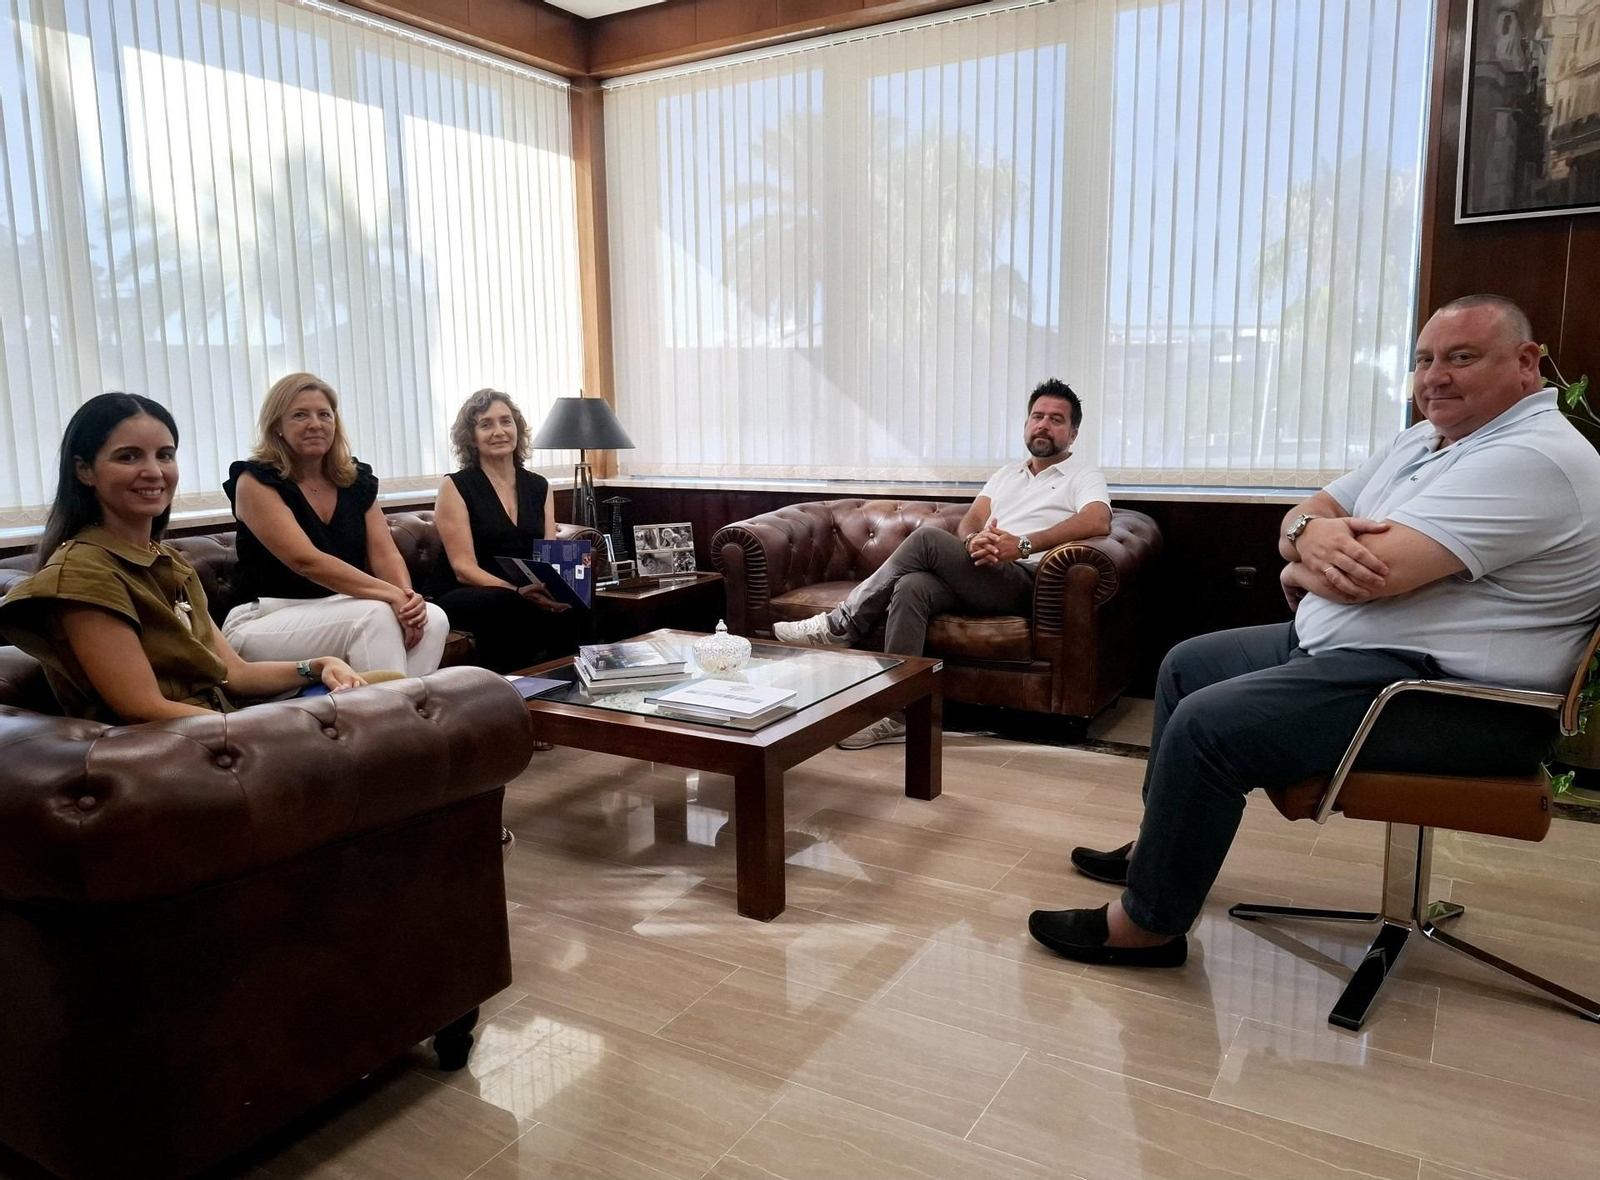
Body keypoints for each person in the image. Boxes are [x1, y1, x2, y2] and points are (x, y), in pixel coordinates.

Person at [1029, 295, 1600, 968]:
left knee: (1208, 726)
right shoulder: (1428, 438)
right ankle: (1161, 849)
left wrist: (1302, 554)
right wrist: (1309, 533)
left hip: (1447, 695)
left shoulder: (1533, 458)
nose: (1435, 377)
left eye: (1462, 357)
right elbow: (1316, 510)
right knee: (1186, 666)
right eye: (1424, 360)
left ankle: (1148, 926)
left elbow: (1373, 573)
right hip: (1361, 652)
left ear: (1528, 364)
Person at [775, 378, 1112, 749]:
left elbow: (1098, 520)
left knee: (926, 539)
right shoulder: (1007, 474)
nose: (1044, 425)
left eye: (1056, 419)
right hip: (983, 572)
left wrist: (1022, 544)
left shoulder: (1083, 475)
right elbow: (972, 519)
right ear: (1026, 424)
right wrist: (973, 540)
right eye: (1037, 416)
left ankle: (843, 622)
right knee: (911, 587)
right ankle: (897, 713)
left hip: (1027, 582)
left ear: (1073, 433)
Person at [0, 393, 366, 723]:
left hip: (225, 731)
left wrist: (317, 667)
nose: (154, 472)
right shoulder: (82, 572)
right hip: (174, 758)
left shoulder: (168, 561)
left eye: (165, 455)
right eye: (128, 456)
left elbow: (234, 674)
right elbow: (142, 707)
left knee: (380, 694)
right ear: (84, 471)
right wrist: (266, 729)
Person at [221, 373, 449, 677]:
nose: (315, 423)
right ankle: (390, 718)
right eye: (300, 415)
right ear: (277, 427)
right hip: (262, 618)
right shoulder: (255, 480)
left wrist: (407, 602)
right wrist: (390, 597)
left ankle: (395, 713)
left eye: (324, 414)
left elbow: (385, 554)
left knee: (432, 619)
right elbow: (306, 561)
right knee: (376, 616)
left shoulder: (353, 479)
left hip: (338, 609)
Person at [427, 388, 584, 674]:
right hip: (464, 591)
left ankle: (572, 689)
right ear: (471, 438)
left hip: (523, 589)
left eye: (505, 421)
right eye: (486, 424)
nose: (498, 431)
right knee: (505, 603)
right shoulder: (456, 486)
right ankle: (514, 694)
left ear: (517, 429)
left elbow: (546, 555)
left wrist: (563, 583)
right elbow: (463, 568)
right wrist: (516, 590)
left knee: (575, 601)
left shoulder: (539, 486)